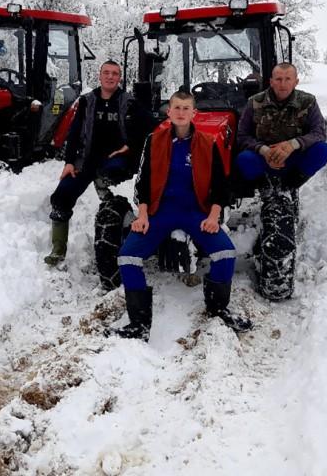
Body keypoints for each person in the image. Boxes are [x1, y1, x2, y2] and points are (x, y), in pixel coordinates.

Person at [112, 91, 252, 341]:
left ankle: (218, 308)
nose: (181, 112)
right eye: (176, 107)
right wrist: (142, 214)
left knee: (226, 253)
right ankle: (139, 323)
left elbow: (221, 186)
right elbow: (143, 182)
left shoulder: (207, 143)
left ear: (193, 113)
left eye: (186, 108)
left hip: (195, 212)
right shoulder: (154, 140)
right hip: (161, 211)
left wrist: (213, 215)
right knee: (127, 257)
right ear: (169, 111)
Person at [44, 60, 149, 266]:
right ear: (100, 76)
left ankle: (116, 209)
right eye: (107, 73)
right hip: (88, 157)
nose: (110, 77)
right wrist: (69, 162)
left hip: (116, 159)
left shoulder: (128, 102)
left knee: (108, 173)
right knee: (61, 195)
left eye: (115, 74)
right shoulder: (86, 101)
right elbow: (74, 132)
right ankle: (58, 249)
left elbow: (149, 126)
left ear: (120, 78)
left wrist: (130, 145)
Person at [235, 62, 327, 191]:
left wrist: (293, 145)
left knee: (323, 150)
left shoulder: (308, 102)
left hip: (294, 157)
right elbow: (242, 136)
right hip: (264, 158)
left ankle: (289, 189)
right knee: (244, 159)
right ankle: (267, 191)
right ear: (271, 81)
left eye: (288, 79)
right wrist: (264, 151)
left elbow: (319, 132)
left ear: (296, 82)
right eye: (278, 79)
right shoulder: (254, 102)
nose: (283, 84)